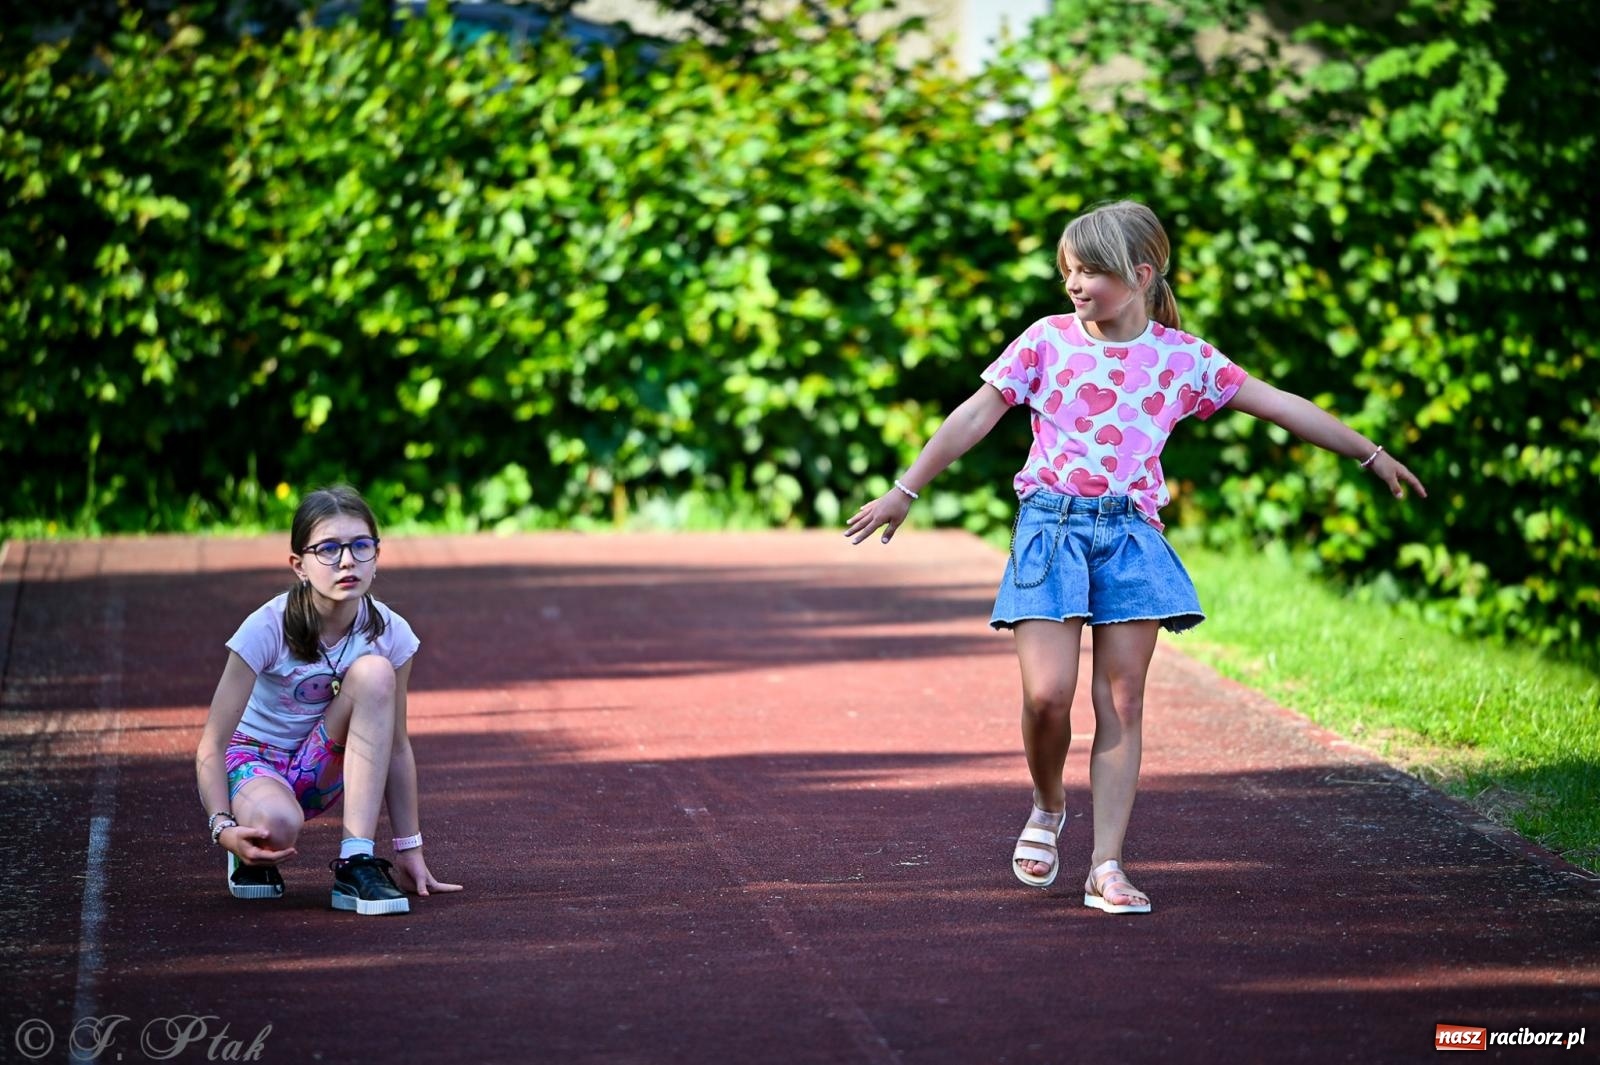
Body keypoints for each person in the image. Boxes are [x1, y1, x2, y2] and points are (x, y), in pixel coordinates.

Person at [845, 200, 1425, 913]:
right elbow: (973, 414)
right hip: (1050, 531)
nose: (1075, 284)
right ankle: (1048, 803)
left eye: (1091, 270)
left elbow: (1279, 403)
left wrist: (1368, 452)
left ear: (1141, 273)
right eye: (1069, 270)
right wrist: (907, 487)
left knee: (1122, 700)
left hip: (1130, 537)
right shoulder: (1046, 341)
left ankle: (1106, 865)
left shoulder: (1184, 359)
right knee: (1046, 694)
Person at [195, 485, 462, 915]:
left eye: (361, 546)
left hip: (322, 766)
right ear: (299, 565)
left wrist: (409, 848)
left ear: (377, 554)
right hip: (254, 761)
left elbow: (395, 746)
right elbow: (212, 745)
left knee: (374, 671)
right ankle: (250, 833)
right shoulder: (265, 627)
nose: (346, 561)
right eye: (328, 549)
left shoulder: (391, 633)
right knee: (279, 826)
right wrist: (222, 826)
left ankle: (356, 862)